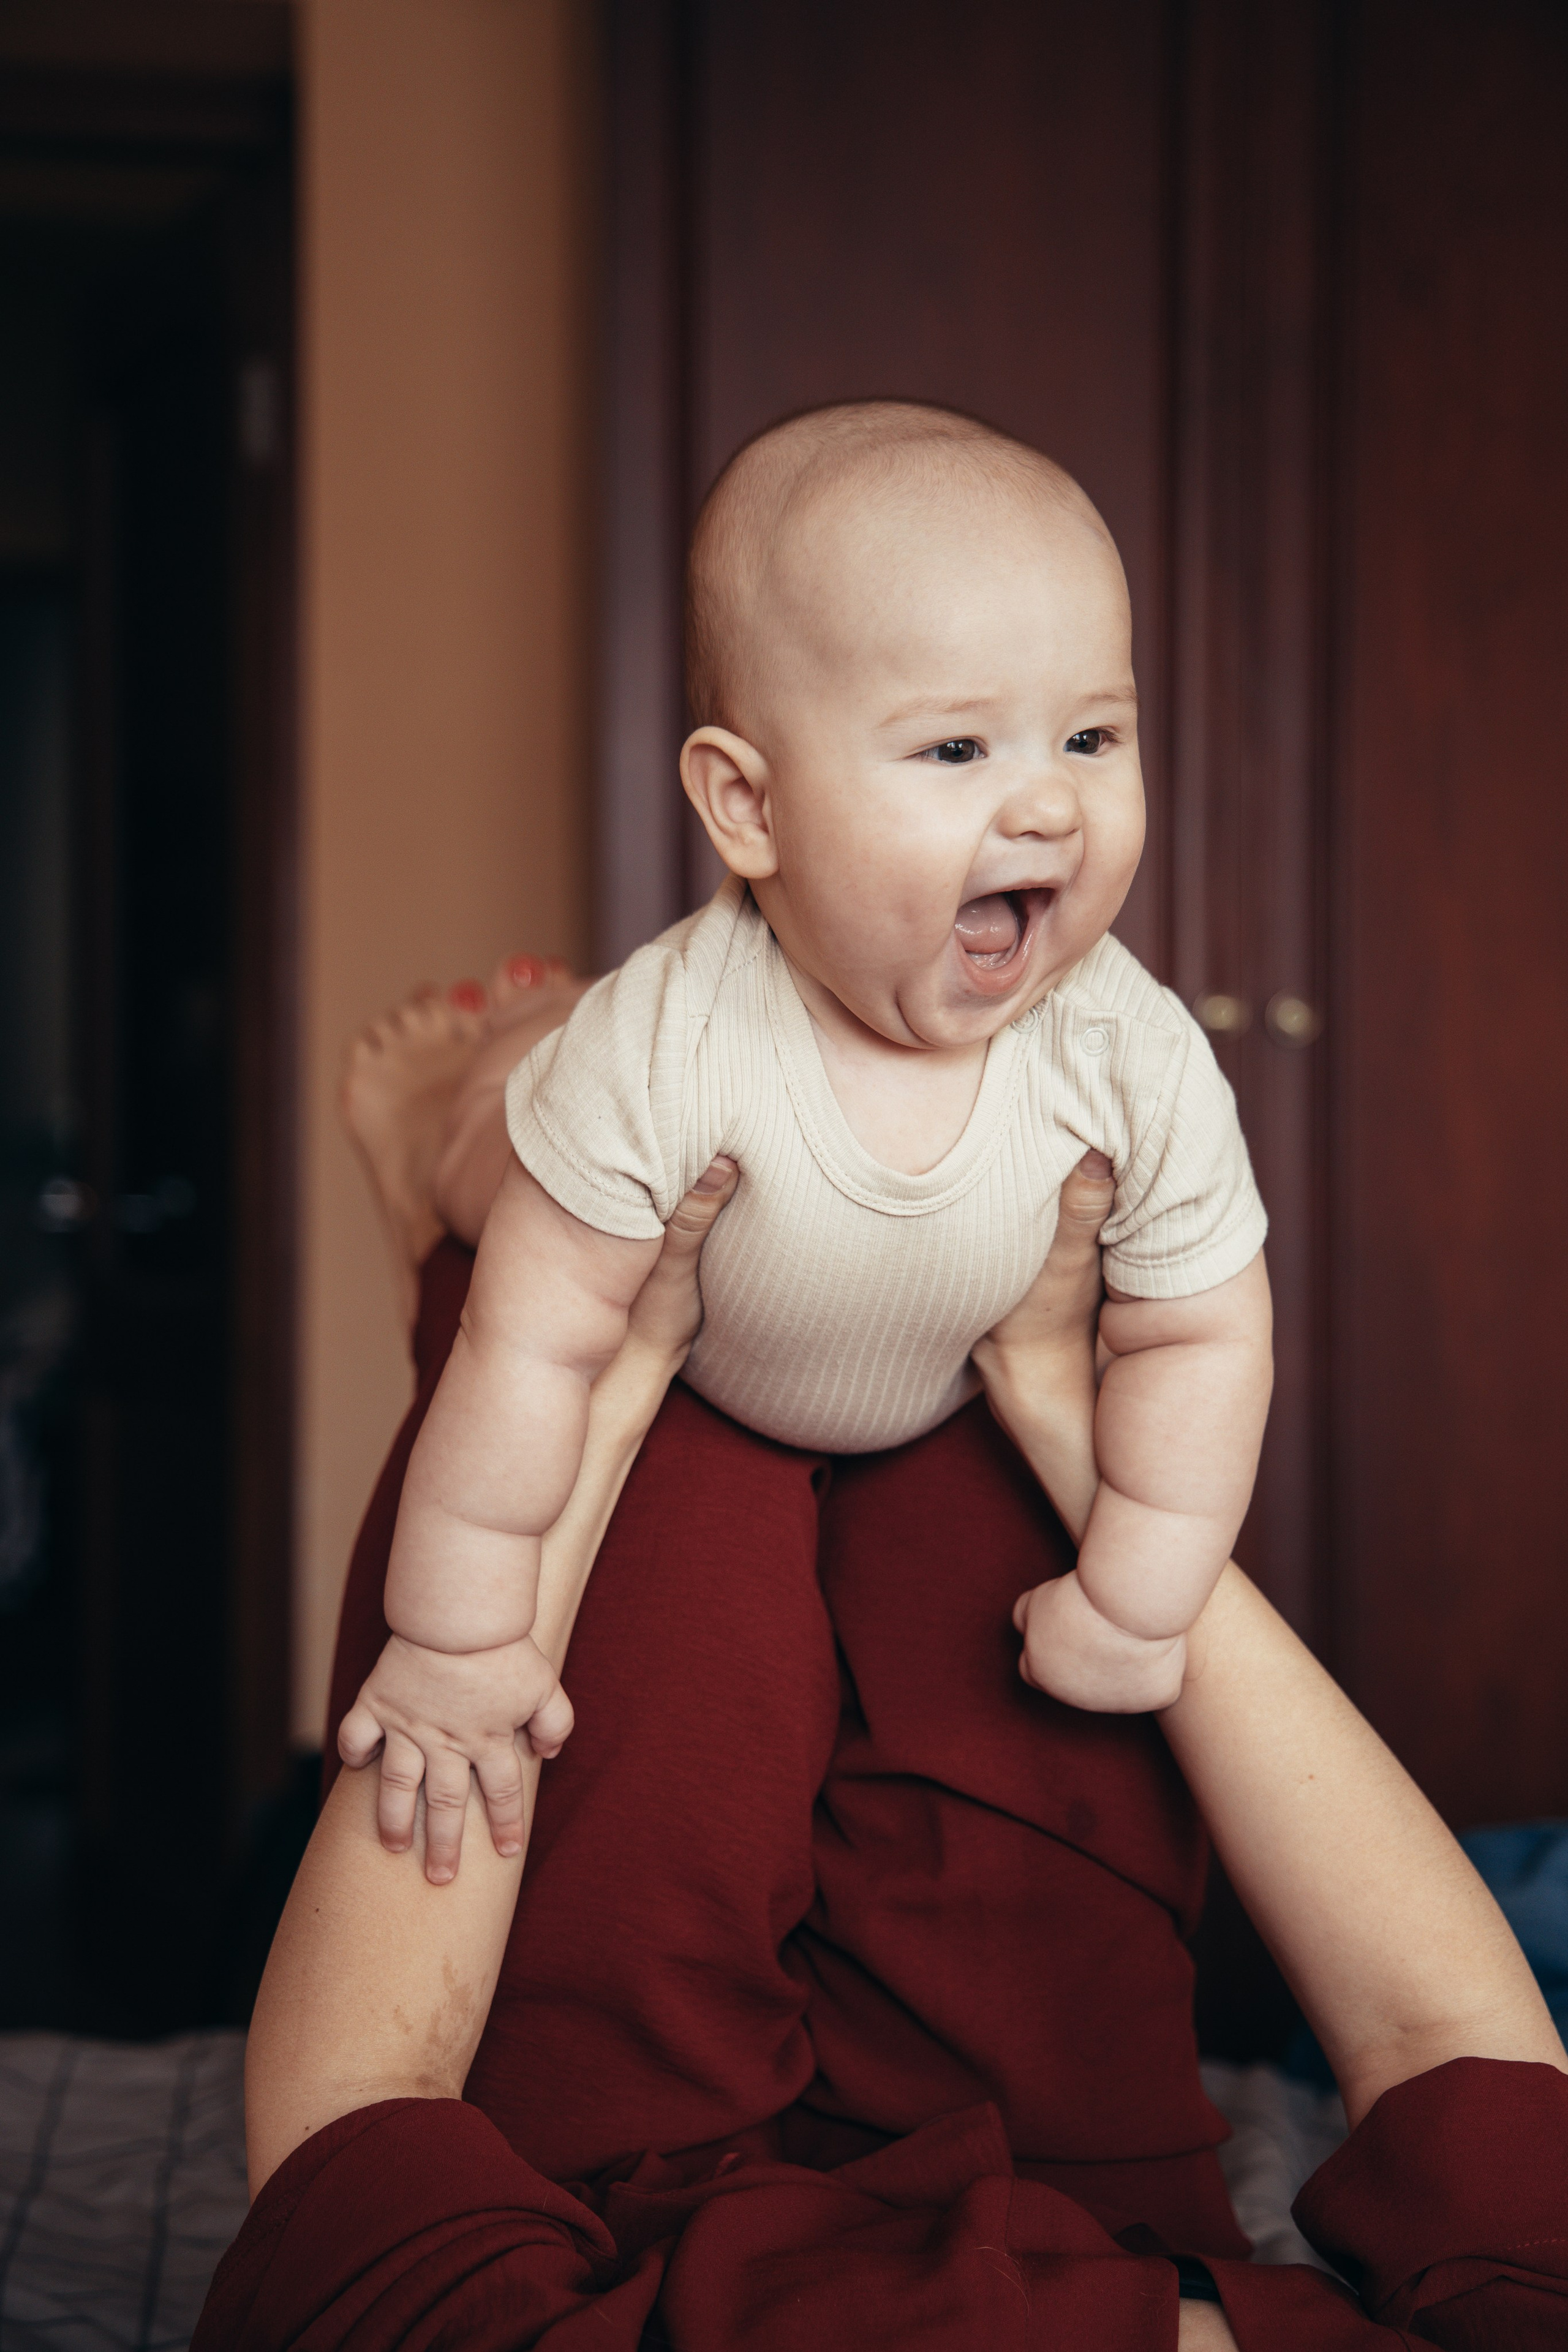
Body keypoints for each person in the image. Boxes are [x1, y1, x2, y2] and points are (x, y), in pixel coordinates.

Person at [192, 974, 1568, 2351]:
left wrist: (597, 1406)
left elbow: (355, 2121)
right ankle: (532, 1256)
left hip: (605, 2215)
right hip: (1085, 2168)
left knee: (628, 1339)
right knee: (961, 1355)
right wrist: (1083, 1456)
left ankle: (473, 1208)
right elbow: (1441, 2045)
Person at [341, 404, 1283, 1884]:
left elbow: (1198, 1334)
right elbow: (525, 1357)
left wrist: (1142, 1589)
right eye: (956, 746)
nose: (1047, 799)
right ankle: (481, 1086)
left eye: (1091, 736)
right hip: (688, 1301)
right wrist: (454, 1640)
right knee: (507, 1221)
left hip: (929, 1374)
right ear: (748, 805)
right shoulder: (671, 1042)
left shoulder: (1127, 1048)